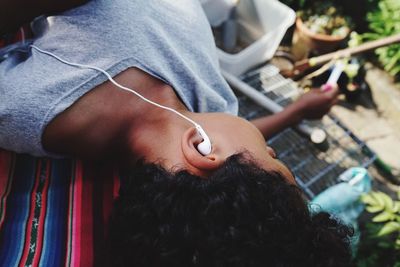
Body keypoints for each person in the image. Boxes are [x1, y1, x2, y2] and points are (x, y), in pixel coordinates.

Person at [0, 0, 352, 266]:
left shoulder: (30, 107)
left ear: (202, 149)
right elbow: (237, 149)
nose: (273, 150)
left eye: (273, 159)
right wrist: (294, 113)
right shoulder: (209, 111)